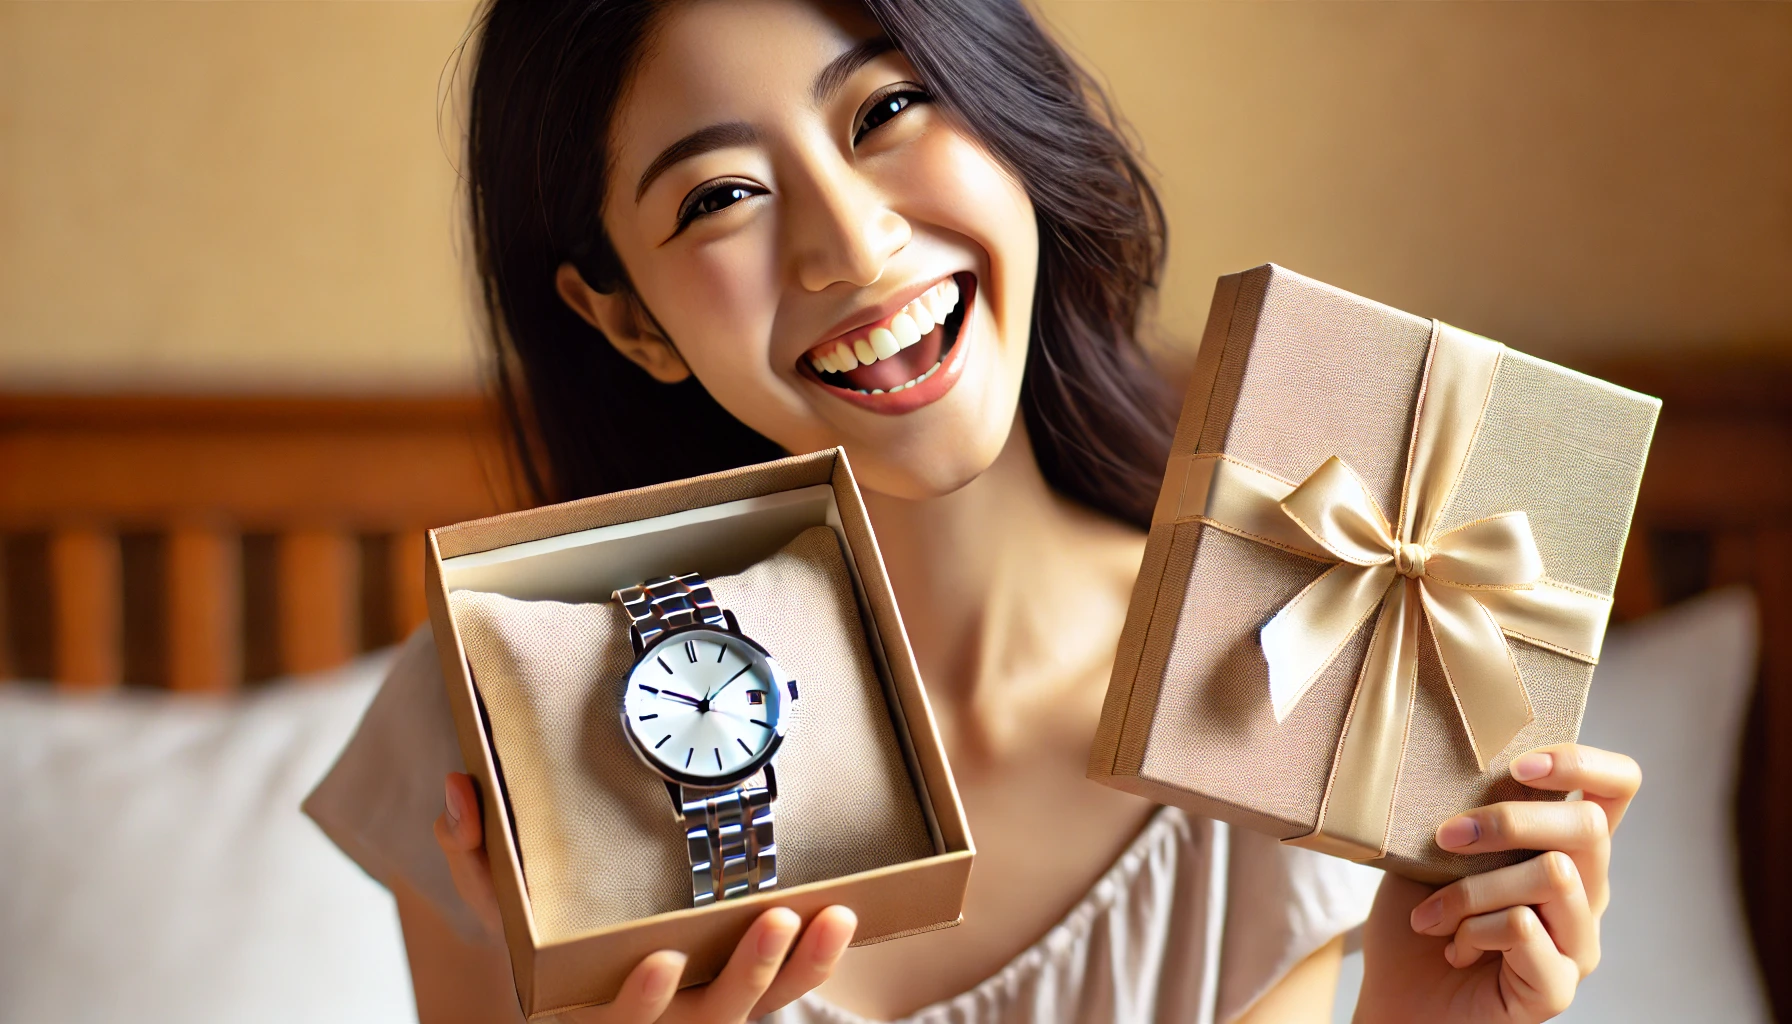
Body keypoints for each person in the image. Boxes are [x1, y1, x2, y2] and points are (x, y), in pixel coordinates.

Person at [305, 0, 1642, 1020]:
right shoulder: (495, 722)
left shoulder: (1312, 680)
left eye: (886, 113)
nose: (851, 245)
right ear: (625, 320)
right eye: (720, 198)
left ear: (1009, 118)